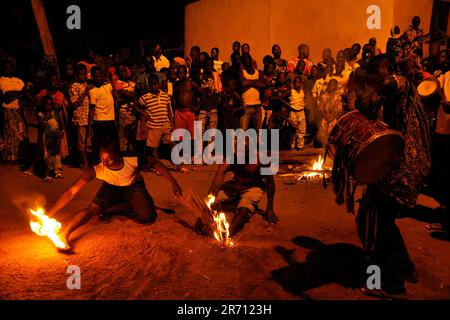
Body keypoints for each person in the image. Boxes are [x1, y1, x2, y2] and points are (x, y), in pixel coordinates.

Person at [46, 140, 182, 252]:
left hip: (133, 187)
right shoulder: (96, 168)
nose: (105, 163)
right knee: (92, 209)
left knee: (148, 217)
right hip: (110, 188)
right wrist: (50, 213)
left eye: (109, 159)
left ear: (118, 155)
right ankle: (65, 234)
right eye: (102, 158)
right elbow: (71, 192)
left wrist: (173, 182)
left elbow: (156, 163)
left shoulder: (132, 159)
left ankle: (117, 208)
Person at [195, 144, 279, 236]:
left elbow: (270, 182)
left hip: (254, 187)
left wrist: (270, 208)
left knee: (244, 209)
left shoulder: (261, 161)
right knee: (213, 202)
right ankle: (234, 201)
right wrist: (205, 212)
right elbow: (214, 188)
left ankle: (227, 233)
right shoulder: (229, 161)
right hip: (235, 184)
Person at [138, 74, 174, 161]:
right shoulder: (145, 98)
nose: (153, 86)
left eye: (155, 84)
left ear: (159, 84)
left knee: (171, 144)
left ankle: (177, 165)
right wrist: (143, 112)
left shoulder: (165, 96)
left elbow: (169, 111)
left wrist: (172, 124)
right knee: (154, 149)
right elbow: (136, 106)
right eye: (151, 85)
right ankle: (157, 166)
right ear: (148, 85)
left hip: (166, 125)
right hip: (153, 127)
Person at [88, 66, 117, 162]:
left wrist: (111, 79)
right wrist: (90, 126)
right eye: (95, 76)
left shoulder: (108, 86)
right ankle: (100, 162)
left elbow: (115, 94)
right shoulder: (92, 91)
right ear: (92, 77)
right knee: (100, 143)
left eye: (99, 76)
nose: (98, 78)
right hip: (99, 121)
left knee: (111, 142)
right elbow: (92, 109)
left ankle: (109, 160)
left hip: (111, 119)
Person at [0, 61, 27, 161]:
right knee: (11, 135)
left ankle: (21, 155)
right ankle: (11, 157)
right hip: (8, 110)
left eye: (10, 68)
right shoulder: (1, 81)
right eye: (6, 68)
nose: (8, 70)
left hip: (20, 110)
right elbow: (6, 97)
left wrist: (13, 94)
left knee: (21, 133)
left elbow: (26, 93)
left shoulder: (19, 81)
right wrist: (21, 93)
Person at [68, 64, 91, 168]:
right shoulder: (74, 87)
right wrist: (85, 92)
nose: (83, 76)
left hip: (89, 117)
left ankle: (89, 159)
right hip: (80, 117)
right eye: (80, 75)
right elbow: (74, 104)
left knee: (88, 140)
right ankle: (84, 162)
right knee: (81, 141)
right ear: (76, 75)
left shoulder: (88, 84)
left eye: (84, 74)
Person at [173, 65, 204, 141]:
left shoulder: (191, 83)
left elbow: (203, 94)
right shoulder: (175, 84)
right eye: (178, 73)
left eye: (181, 73)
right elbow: (174, 97)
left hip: (189, 111)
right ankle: (181, 152)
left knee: (191, 136)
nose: (179, 75)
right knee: (179, 136)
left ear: (186, 73)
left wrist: (197, 107)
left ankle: (190, 152)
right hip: (179, 112)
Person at [38, 95, 64, 180]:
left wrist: (62, 131)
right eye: (46, 105)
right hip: (46, 137)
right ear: (43, 105)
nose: (48, 107)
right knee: (47, 155)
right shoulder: (41, 114)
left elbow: (60, 122)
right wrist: (46, 117)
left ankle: (57, 171)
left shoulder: (55, 113)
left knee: (56, 154)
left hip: (56, 136)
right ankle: (47, 174)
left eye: (50, 105)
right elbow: (41, 126)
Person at [239, 54, 265, 130]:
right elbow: (243, 83)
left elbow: (263, 84)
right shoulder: (241, 72)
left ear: (251, 60)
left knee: (258, 132)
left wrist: (248, 82)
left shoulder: (259, 72)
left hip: (257, 106)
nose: (246, 61)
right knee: (242, 132)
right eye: (244, 59)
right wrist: (256, 82)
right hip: (245, 106)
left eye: (248, 58)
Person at [288, 76, 307, 150]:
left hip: (301, 112)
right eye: (295, 82)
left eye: (298, 82)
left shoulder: (303, 91)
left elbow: (305, 99)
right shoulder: (291, 91)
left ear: (301, 83)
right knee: (293, 130)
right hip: (293, 111)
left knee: (302, 129)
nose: (296, 84)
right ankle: (291, 146)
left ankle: (300, 146)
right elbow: (282, 95)